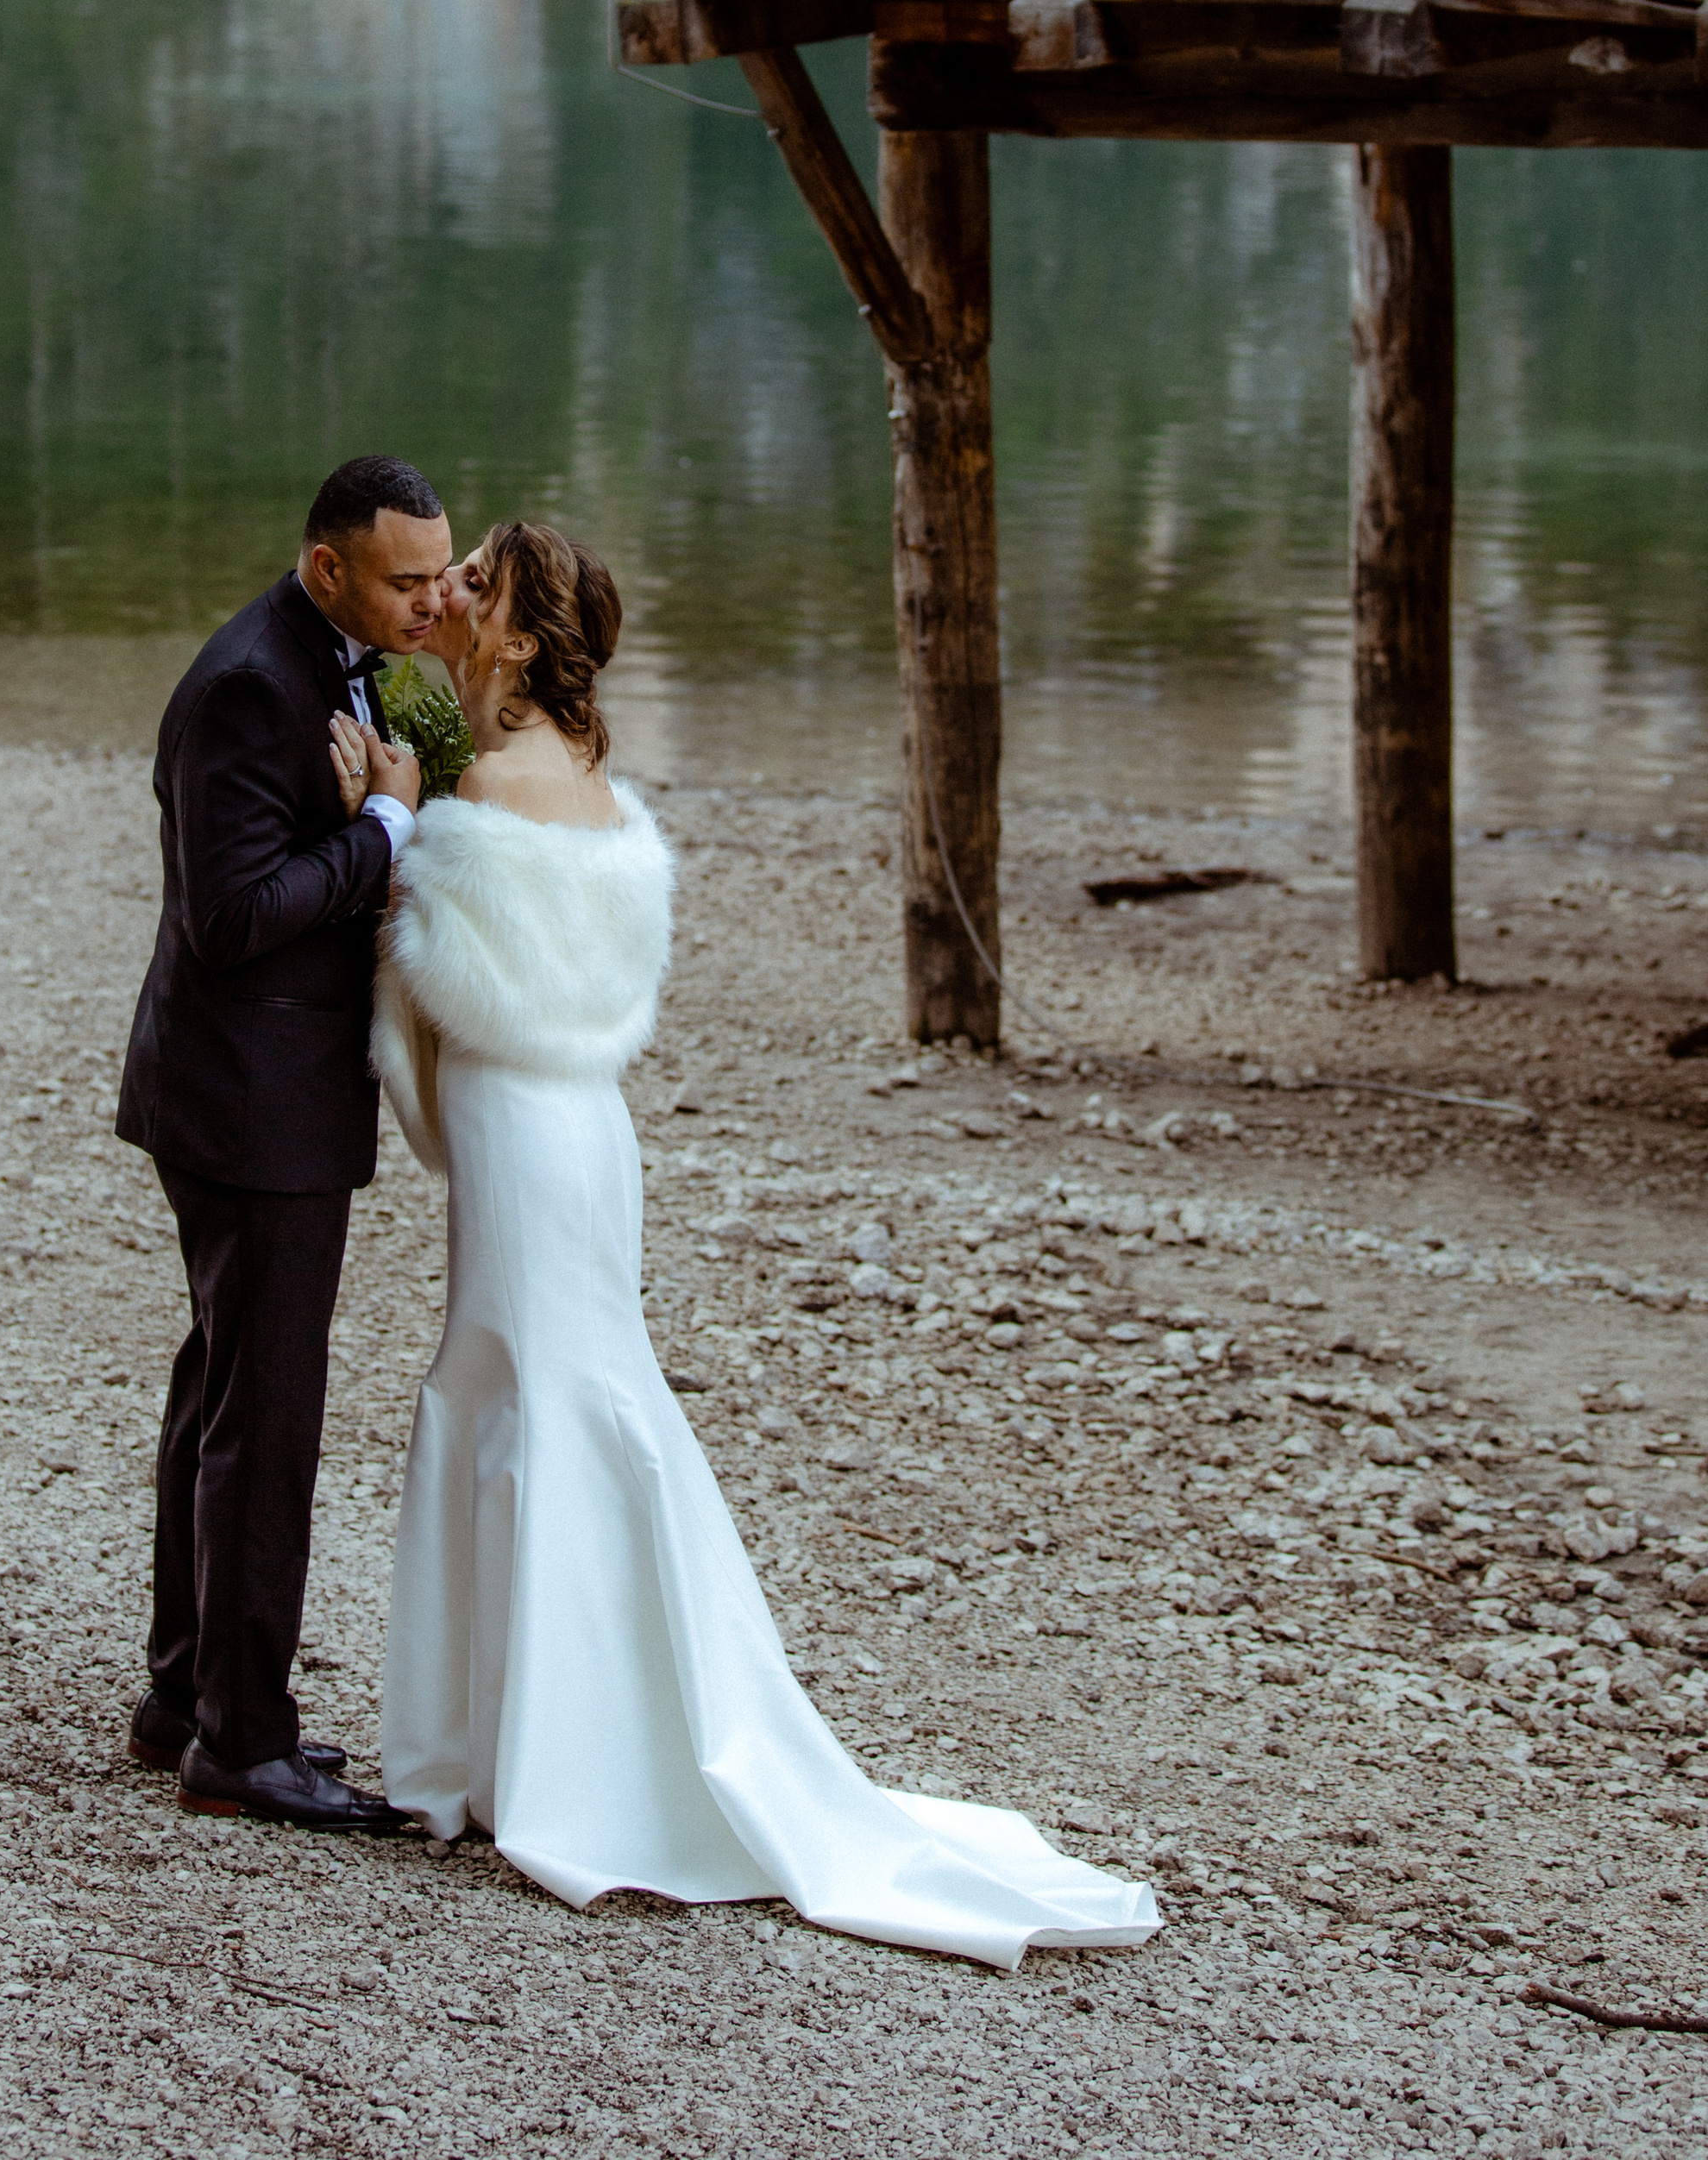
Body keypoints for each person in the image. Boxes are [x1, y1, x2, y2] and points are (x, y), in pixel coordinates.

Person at [367, 519, 1162, 1968]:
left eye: (477, 581)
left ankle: (540, 1769)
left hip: (522, 1131)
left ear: (526, 642)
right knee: (562, 1392)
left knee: (527, 1396)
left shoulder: (489, 783)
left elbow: (441, 992)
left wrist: (402, 833)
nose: (458, 597)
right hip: (586, 1133)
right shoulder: (594, 780)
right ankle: (536, 1744)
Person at [116, 454, 450, 1830]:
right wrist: (385, 827)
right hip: (252, 1104)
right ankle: (244, 1742)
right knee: (268, 1418)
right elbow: (232, 914)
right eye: (406, 581)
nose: (432, 603)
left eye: (442, 579)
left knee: (222, 1389)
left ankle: (184, 1694)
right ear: (329, 569)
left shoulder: (347, 658)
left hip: (246, 1088)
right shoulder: (255, 683)